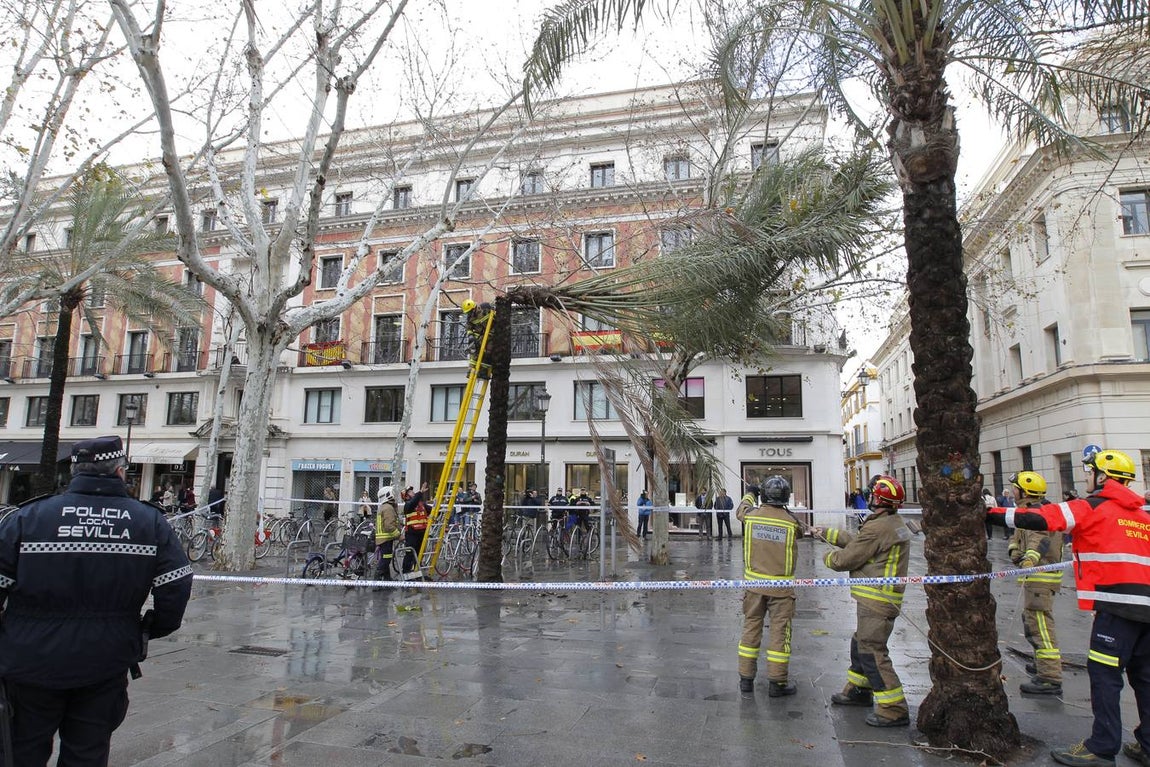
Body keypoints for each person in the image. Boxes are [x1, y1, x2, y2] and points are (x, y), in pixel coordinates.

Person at [0, 435, 193, 766]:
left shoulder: (28, 518)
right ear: (120, 471)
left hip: (28, 659)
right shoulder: (148, 521)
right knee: (87, 752)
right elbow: (175, 585)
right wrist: (147, 629)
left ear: (74, 471)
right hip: (106, 658)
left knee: (22, 750)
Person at [987, 448, 1150, 767]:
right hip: (1146, 611)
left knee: (1105, 677)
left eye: (1090, 472)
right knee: (1144, 678)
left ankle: (1101, 747)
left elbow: (1042, 518)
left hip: (1117, 610)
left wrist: (988, 514)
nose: (1087, 477)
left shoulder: (1093, 506)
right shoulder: (1142, 515)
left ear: (1102, 477)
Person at [816, 475, 912, 727]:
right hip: (879, 597)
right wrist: (826, 533)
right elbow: (862, 542)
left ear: (879, 499)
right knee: (861, 642)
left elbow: (848, 558)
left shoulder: (878, 527)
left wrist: (829, 558)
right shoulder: (891, 523)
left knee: (871, 650)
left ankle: (894, 708)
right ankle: (859, 690)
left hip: (876, 598)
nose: (870, 498)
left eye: (873, 495)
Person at [736, 477, 799, 697]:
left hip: (754, 587)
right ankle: (777, 682)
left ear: (764, 494)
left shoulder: (751, 517)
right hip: (781, 590)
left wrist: (750, 493)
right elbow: (800, 532)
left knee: (750, 629)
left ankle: (746, 680)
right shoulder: (791, 522)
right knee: (780, 633)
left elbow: (741, 510)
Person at [1004, 470, 1065, 696]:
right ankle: (1042, 665)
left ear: (1024, 491)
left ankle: (1049, 677)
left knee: (1041, 627)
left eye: (1015, 488)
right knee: (1031, 622)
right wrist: (1014, 551)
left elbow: (1039, 541)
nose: (1012, 491)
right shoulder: (1027, 514)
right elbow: (1017, 537)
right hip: (1035, 582)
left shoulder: (1038, 516)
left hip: (1040, 581)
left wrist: (1029, 559)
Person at [373, 485, 401, 587]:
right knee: (385, 560)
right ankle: (377, 582)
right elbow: (389, 526)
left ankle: (387, 580)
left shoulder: (385, 507)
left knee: (386, 558)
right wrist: (399, 535)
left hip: (383, 539)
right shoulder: (388, 508)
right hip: (386, 539)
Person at [401, 481, 430, 575]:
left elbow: (431, 510)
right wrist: (420, 492)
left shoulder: (421, 504)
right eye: (410, 492)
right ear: (406, 496)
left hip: (422, 532)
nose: (412, 492)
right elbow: (414, 502)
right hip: (412, 533)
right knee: (410, 553)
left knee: (419, 553)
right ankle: (406, 572)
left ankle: (416, 572)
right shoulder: (408, 505)